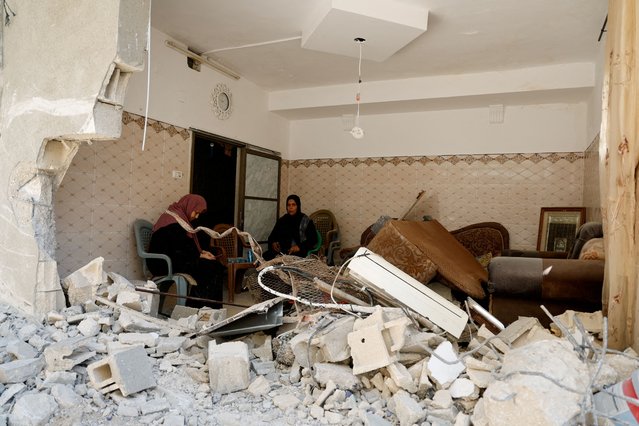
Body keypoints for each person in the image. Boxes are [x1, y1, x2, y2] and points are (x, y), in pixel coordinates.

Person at [147, 194, 225, 309]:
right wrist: (200, 256)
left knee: (213, 266)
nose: (197, 217)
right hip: (162, 262)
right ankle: (197, 309)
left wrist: (201, 253)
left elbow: (183, 247)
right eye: (196, 212)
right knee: (209, 268)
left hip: (174, 258)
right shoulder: (172, 221)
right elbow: (178, 249)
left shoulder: (179, 219)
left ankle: (205, 309)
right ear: (189, 206)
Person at [264, 194, 318, 260]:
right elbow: (272, 236)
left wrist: (299, 247)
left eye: (293, 205)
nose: (291, 207)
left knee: (288, 261)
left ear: (298, 206)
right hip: (282, 252)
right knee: (265, 256)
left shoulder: (305, 221)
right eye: (288, 205)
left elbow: (313, 239)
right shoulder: (282, 220)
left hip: (298, 253)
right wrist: (273, 243)